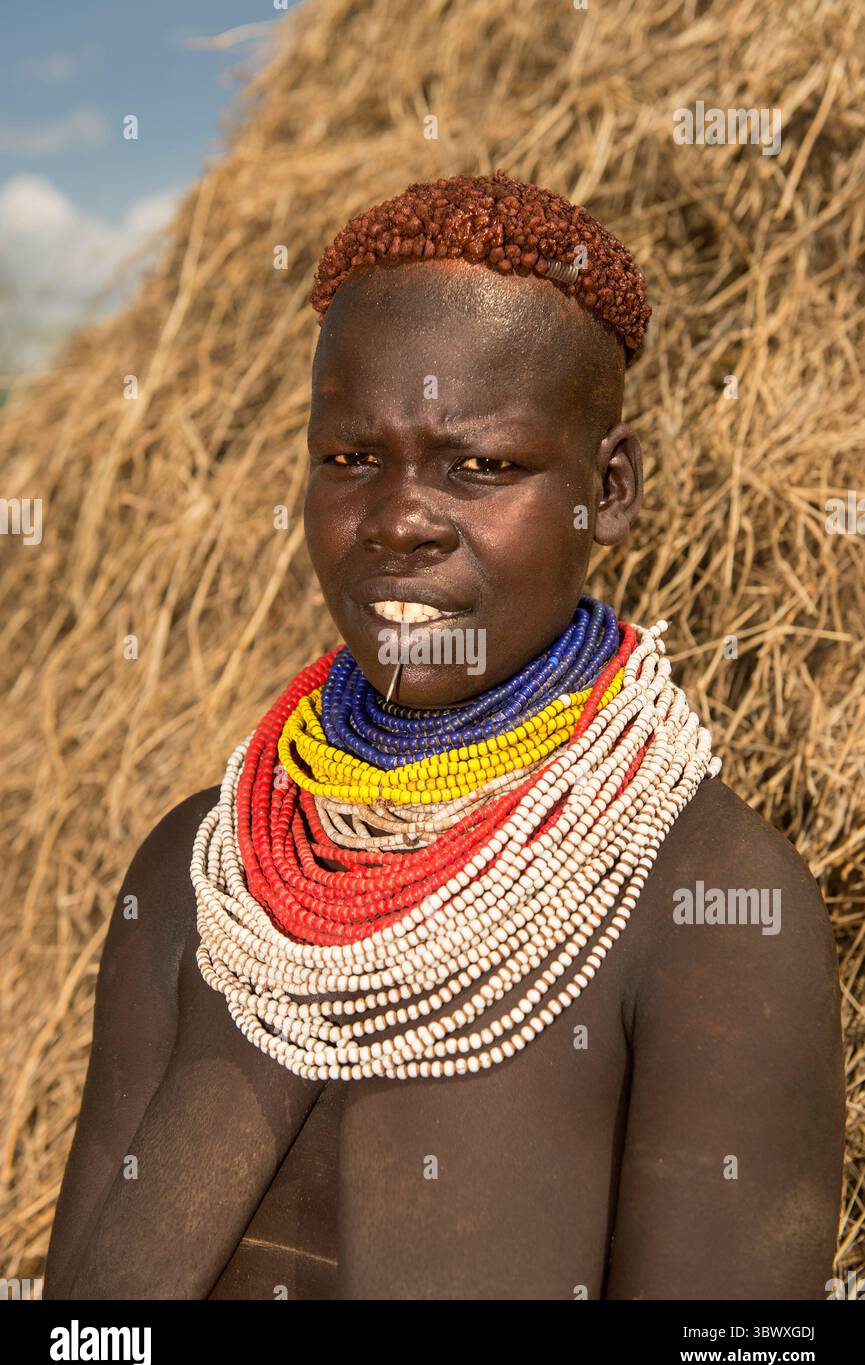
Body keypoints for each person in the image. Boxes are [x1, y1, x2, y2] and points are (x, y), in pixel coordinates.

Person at [45, 172, 845, 1301]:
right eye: (349, 458)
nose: (399, 517)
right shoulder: (201, 876)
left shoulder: (710, 907)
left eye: (481, 466)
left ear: (607, 488)